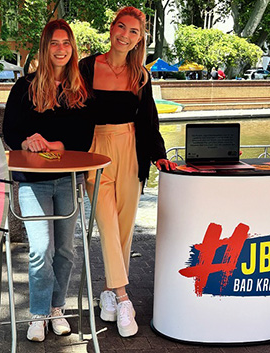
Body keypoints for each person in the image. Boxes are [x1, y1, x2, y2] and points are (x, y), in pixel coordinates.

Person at [79, 6, 176, 338]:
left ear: (139, 39)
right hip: (95, 149)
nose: (126, 35)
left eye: (134, 32)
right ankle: (122, 298)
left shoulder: (141, 75)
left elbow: (149, 120)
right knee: (106, 223)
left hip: (131, 147)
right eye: (122, 27)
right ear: (111, 29)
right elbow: (71, 108)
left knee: (123, 227)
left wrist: (159, 156)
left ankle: (107, 292)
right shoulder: (87, 67)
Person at [3, 19, 93, 342]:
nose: (61, 49)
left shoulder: (80, 91)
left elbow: (84, 138)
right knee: (42, 248)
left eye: (66, 43)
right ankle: (38, 313)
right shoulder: (24, 87)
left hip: (68, 180)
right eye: (54, 43)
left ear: (73, 48)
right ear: (45, 47)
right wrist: (26, 140)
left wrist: (58, 145)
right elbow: (10, 132)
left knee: (66, 250)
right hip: (32, 181)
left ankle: (58, 308)